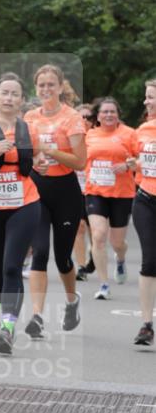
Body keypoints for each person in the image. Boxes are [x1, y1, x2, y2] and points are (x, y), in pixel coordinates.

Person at [0, 73, 44, 354]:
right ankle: (8, 319)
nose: (9, 98)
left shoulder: (30, 130)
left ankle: (7, 328)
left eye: (15, 94)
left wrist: (41, 164)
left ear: (22, 100)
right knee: (0, 267)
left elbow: (35, 159)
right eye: (4, 93)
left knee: (13, 266)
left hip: (24, 203)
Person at [22, 65, 87, 339]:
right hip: (37, 189)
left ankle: (72, 302)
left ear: (61, 87)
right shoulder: (29, 117)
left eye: (51, 85)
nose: (46, 90)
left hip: (66, 191)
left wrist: (51, 151)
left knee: (62, 257)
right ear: (36, 89)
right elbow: (26, 152)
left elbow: (80, 161)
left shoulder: (71, 118)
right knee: (39, 251)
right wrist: (36, 159)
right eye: (42, 85)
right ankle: (37, 316)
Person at [84, 97, 136, 300]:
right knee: (98, 235)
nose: (108, 115)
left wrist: (128, 165)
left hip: (122, 193)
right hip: (95, 192)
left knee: (117, 242)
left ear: (118, 115)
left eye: (112, 112)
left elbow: (138, 160)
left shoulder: (129, 134)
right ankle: (104, 284)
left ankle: (121, 259)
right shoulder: (89, 135)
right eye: (104, 112)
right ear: (97, 116)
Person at [130, 79, 156, 345]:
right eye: (146, 97)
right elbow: (140, 161)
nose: (146, 102)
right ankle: (146, 325)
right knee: (150, 261)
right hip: (146, 199)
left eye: (151, 97)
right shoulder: (142, 130)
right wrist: (133, 163)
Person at [73, 104, 95, 280]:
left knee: (95, 231)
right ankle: (81, 267)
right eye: (82, 117)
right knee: (78, 228)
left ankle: (95, 256)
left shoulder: (98, 138)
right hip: (76, 190)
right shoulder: (71, 138)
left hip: (96, 190)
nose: (85, 120)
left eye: (89, 117)